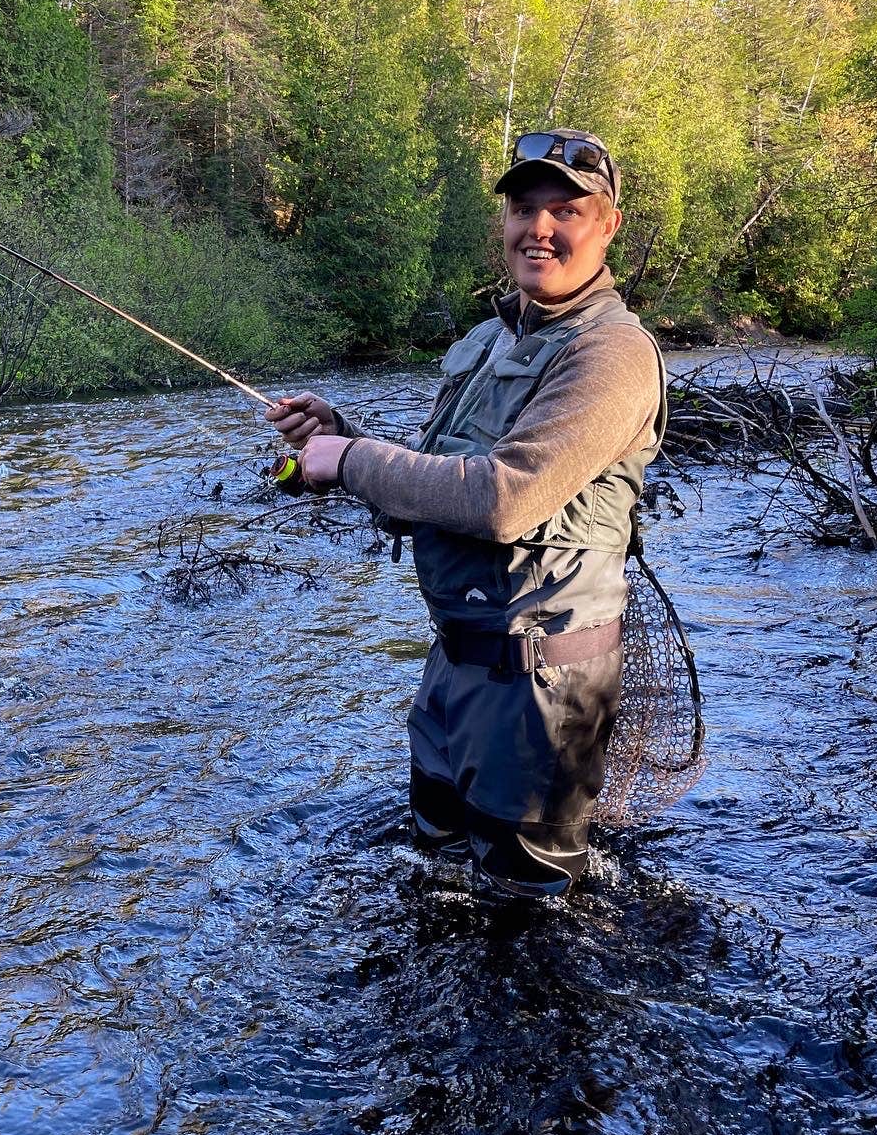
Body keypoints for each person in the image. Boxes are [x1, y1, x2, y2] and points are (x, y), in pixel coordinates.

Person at [267, 129, 666, 899]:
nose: (538, 229)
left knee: (528, 922)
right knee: (435, 877)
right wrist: (340, 437)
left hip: (542, 691)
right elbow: (436, 491)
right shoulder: (488, 339)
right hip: (456, 665)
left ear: (609, 224)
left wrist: (348, 463)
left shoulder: (613, 352)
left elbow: (504, 499)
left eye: (566, 211)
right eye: (523, 208)